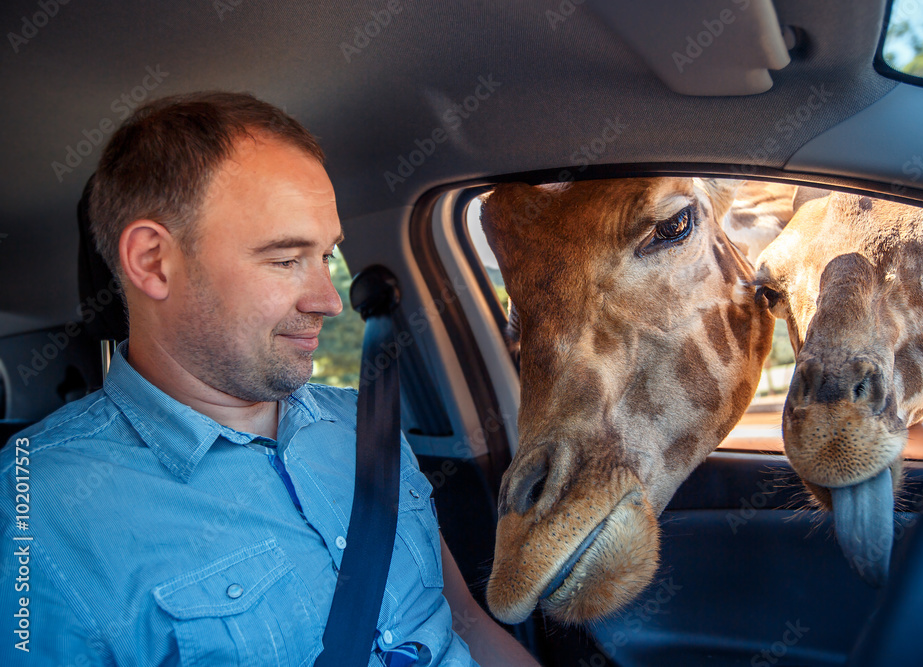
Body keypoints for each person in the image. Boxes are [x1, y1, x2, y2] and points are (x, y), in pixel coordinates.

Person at [0, 91, 539, 666]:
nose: (331, 301)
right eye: (286, 259)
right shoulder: (37, 506)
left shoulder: (363, 423)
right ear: (154, 261)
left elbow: (464, 624)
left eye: (327, 256)